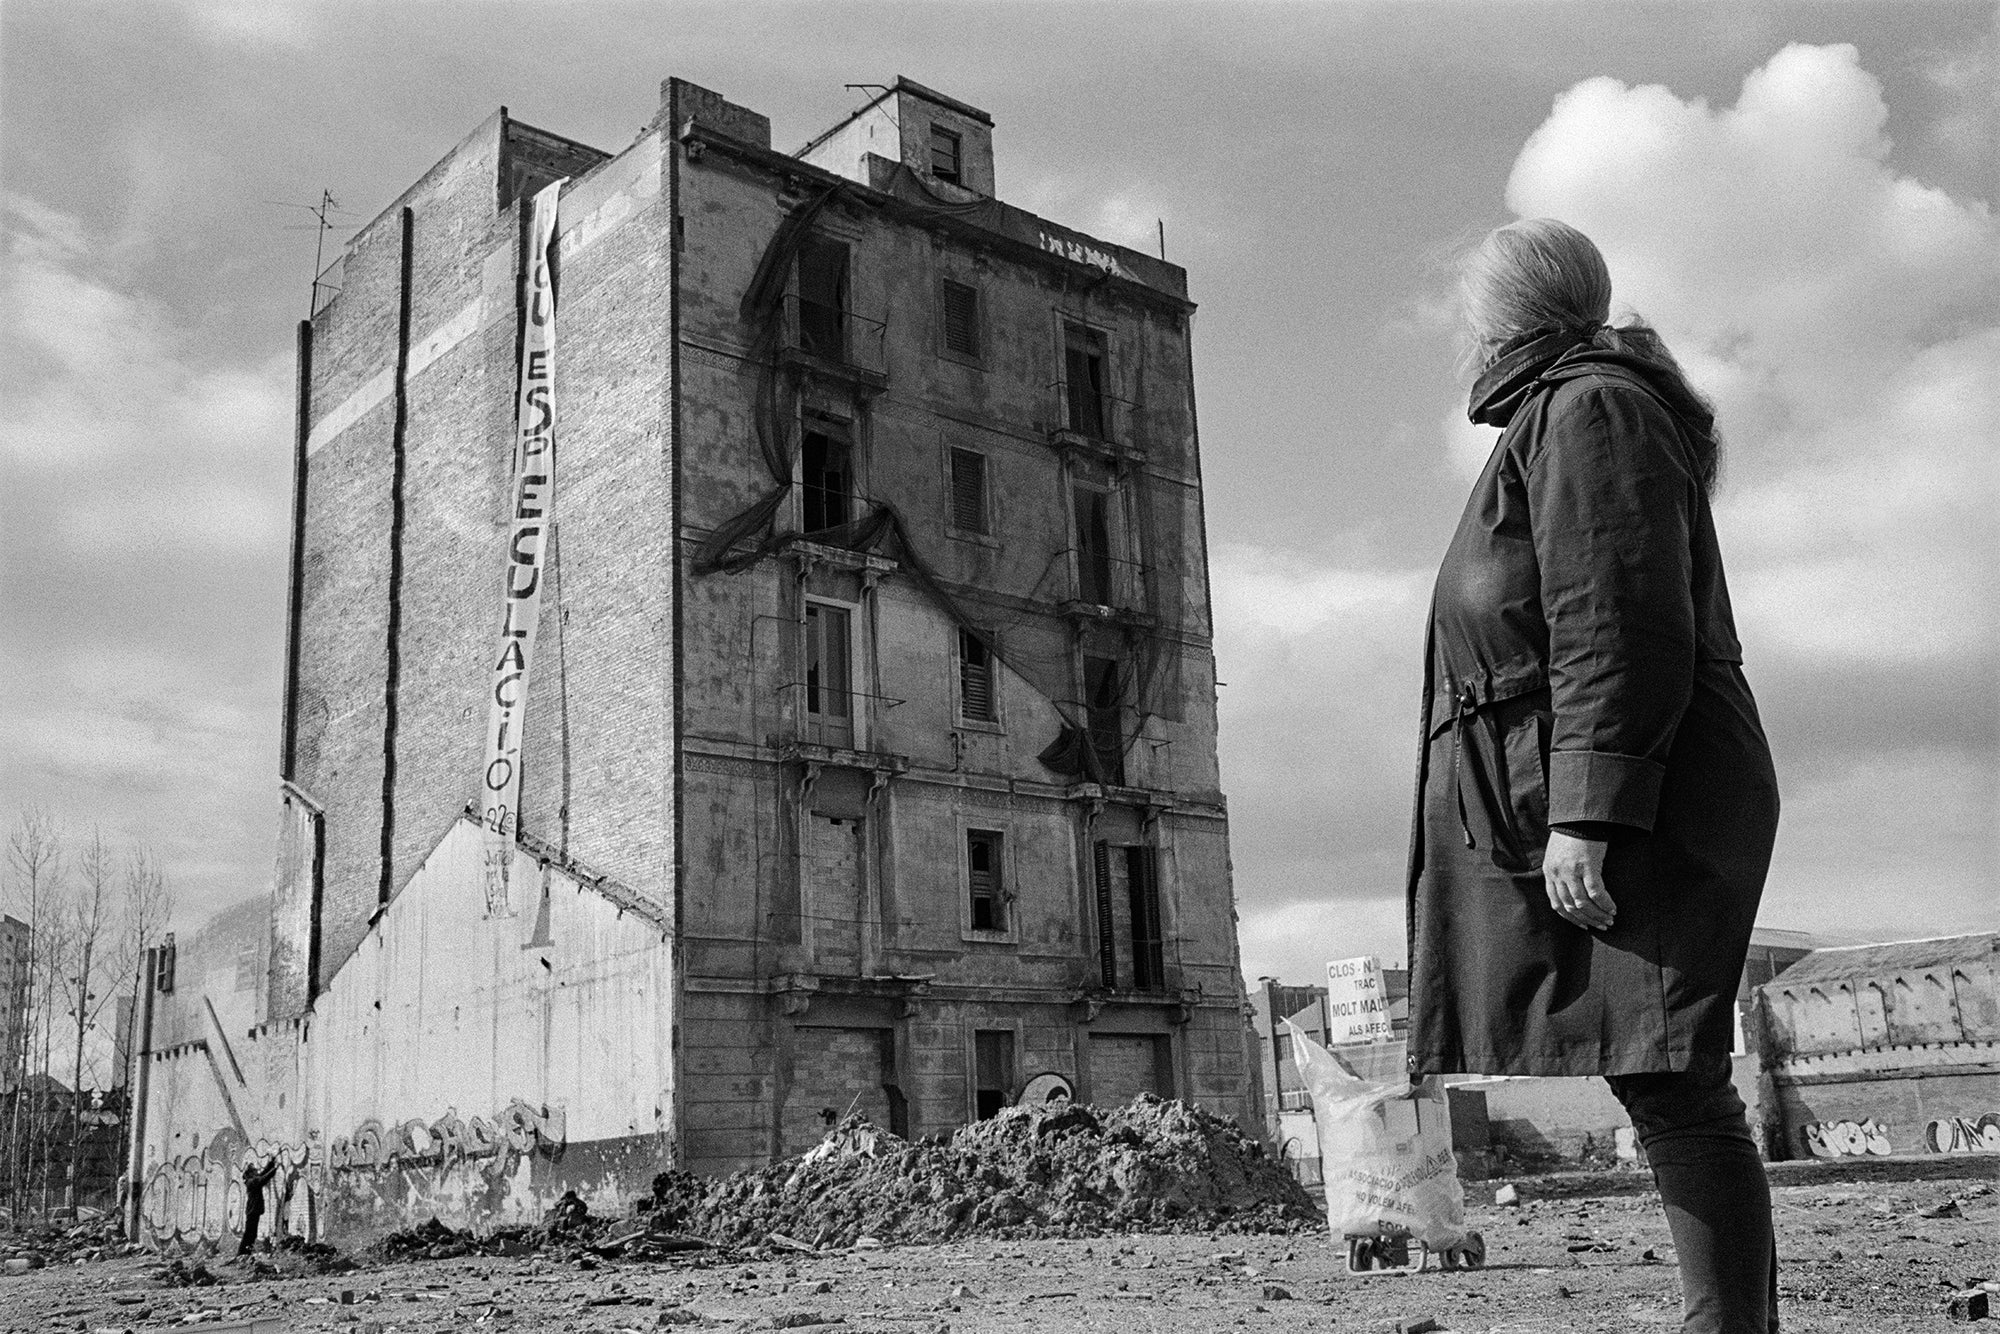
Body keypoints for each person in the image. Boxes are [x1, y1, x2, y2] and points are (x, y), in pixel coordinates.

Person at [1407, 218, 1782, 1334]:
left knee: (1669, 1072)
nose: (1457, 335)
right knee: (1656, 1071)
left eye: (1465, 314)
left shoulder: (1589, 407)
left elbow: (1614, 616)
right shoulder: (1561, 410)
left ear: (1502, 317)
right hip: (1571, 795)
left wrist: (1587, 811)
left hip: (1624, 800)